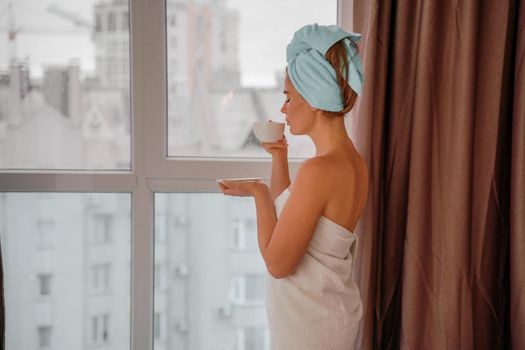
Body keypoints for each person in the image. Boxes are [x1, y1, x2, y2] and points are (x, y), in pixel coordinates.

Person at [218, 23, 369, 350]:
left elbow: (278, 262)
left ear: (315, 98)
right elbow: (291, 218)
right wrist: (279, 157)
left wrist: (258, 193)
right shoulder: (351, 162)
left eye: (289, 97)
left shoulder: (320, 170)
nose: (283, 109)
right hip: (327, 317)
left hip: (312, 328)